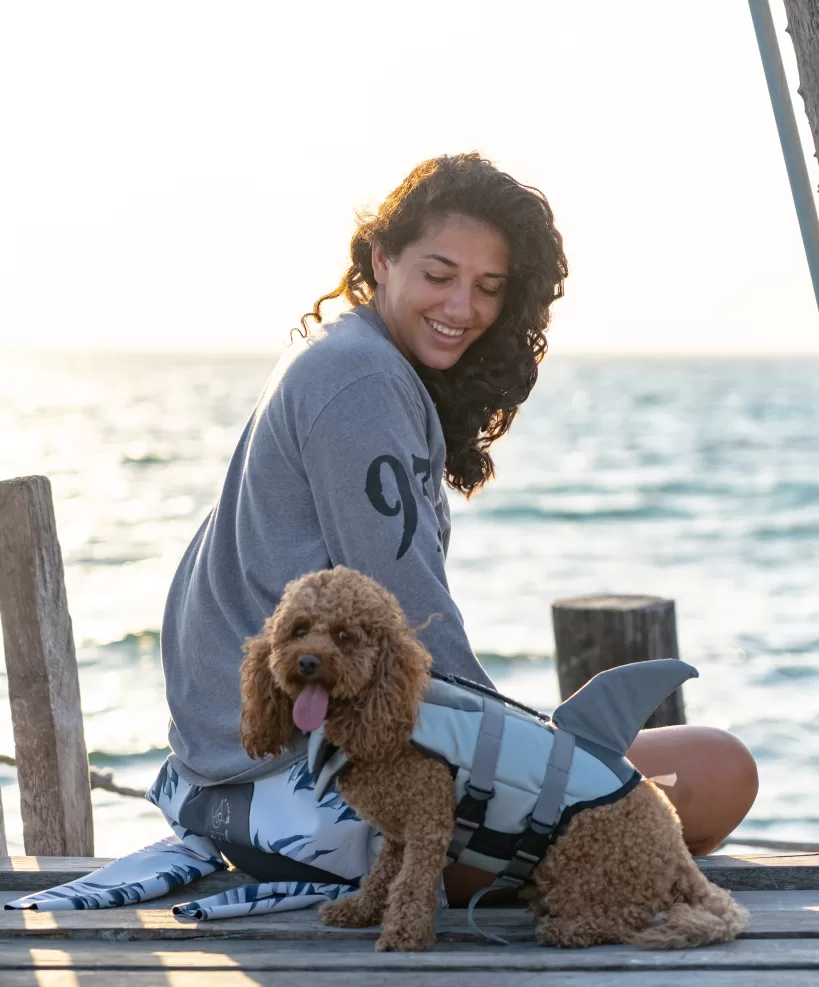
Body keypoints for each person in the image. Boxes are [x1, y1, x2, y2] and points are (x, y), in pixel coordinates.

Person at [158, 152, 758, 907]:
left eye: (489, 287)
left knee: (637, 791)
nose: (462, 306)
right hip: (307, 802)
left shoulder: (339, 352)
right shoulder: (362, 380)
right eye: (439, 274)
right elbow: (418, 625)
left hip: (229, 791)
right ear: (382, 259)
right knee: (714, 772)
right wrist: (535, 760)